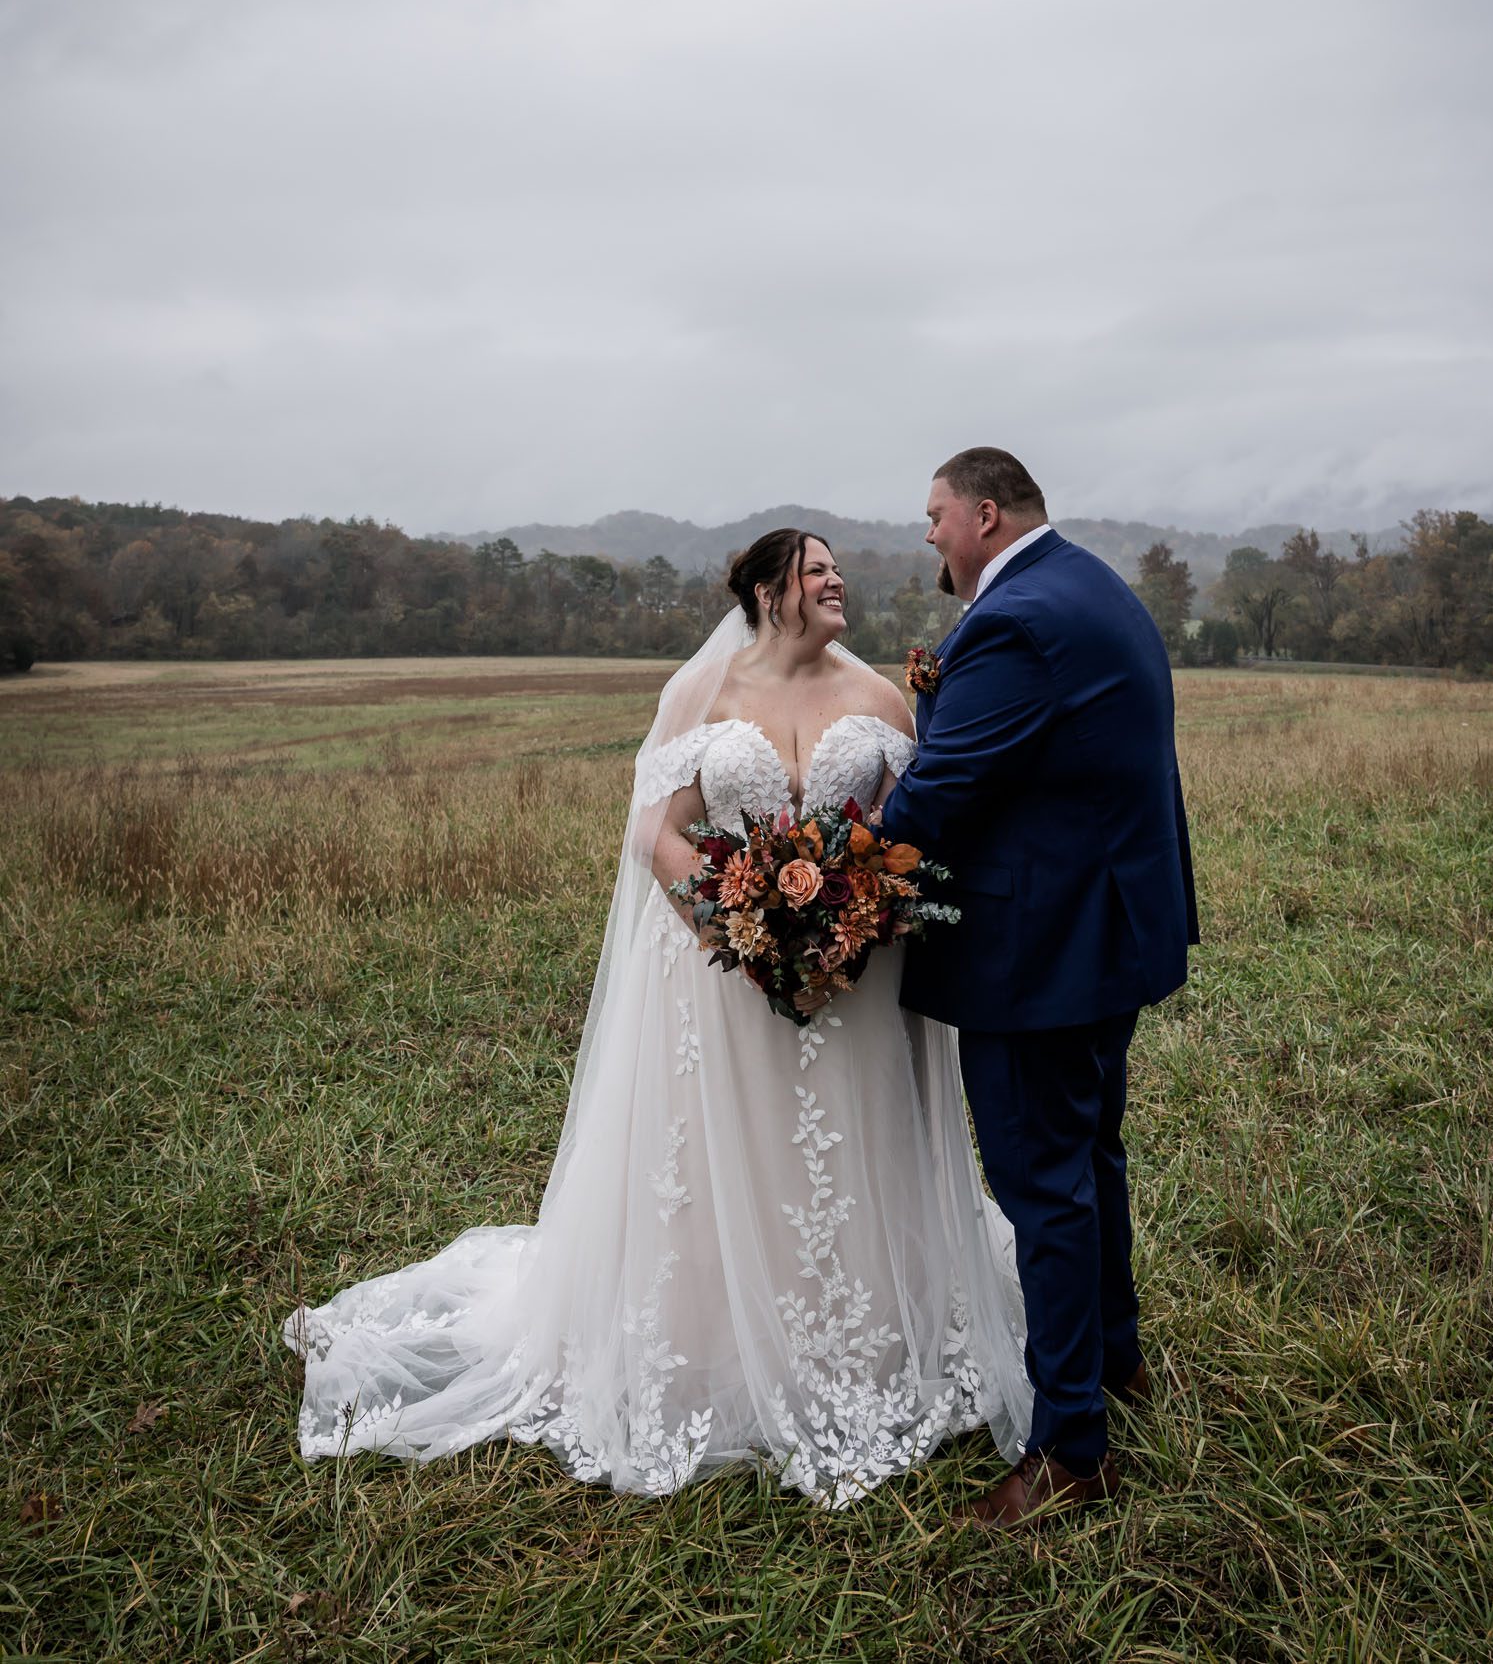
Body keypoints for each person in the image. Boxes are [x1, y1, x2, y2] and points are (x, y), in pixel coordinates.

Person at [285, 528, 1031, 1507]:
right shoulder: (703, 695)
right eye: (814, 570)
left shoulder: (880, 701)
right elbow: (654, 827)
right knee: (732, 1153)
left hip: (856, 976)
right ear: (768, 594)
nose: (835, 578)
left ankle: (859, 1341)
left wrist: (852, 918)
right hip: (720, 973)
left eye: (835, 566)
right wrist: (737, 915)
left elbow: (906, 832)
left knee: (850, 1150)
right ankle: (715, 1339)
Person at [878, 447, 1198, 1528]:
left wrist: (834, 870)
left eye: (932, 516)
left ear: (981, 512)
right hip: (1109, 934)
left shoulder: (1014, 622)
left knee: (1043, 1184)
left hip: (1041, 954)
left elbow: (937, 792)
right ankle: (1113, 1359)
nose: (926, 535)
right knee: (1088, 1153)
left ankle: (1069, 1447)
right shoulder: (1091, 584)